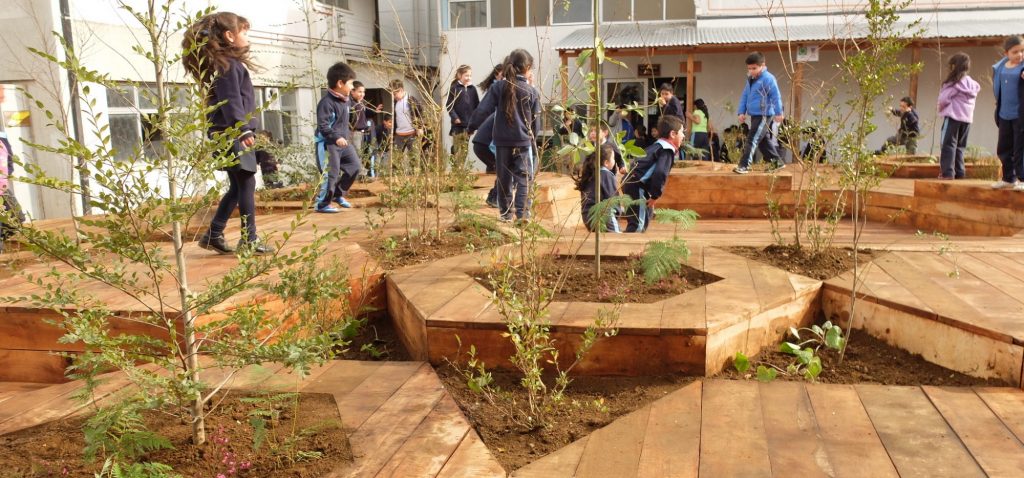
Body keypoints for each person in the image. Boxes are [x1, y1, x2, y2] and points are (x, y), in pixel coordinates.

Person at [184, 12, 271, 255]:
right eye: (244, 32)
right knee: (247, 183)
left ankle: (213, 234)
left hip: (225, 133)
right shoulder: (228, 66)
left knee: (237, 186)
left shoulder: (223, 64)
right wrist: (242, 129)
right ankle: (249, 239)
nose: (247, 37)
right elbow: (230, 100)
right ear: (230, 36)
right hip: (232, 133)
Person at [468, 49, 540, 223]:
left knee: (504, 179)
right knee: (524, 179)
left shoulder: (498, 87)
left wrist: (471, 126)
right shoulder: (531, 91)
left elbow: (483, 109)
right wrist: (532, 139)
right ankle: (522, 214)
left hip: (502, 143)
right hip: (522, 142)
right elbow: (535, 124)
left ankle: (506, 215)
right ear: (527, 67)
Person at [622, 115, 684, 233]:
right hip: (637, 185)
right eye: (682, 132)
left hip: (633, 183)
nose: (684, 135)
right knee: (637, 225)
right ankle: (627, 249)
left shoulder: (655, 146)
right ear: (673, 134)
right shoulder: (666, 150)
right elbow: (660, 173)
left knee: (645, 215)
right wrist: (655, 195)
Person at [313, 61, 360, 213]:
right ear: (340, 83)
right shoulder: (326, 103)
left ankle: (338, 194)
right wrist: (335, 137)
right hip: (329, 144)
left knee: (354, 167)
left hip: (343, 143)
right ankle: (322, 204)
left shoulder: (345, 101)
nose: (353, 88)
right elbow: (323, 126)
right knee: (330, 174)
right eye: (351, 84)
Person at [733, 52, 784, 174]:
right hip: (754, 114)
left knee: (752, 138)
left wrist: (779, 113)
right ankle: (776, 162)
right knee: (762, 140)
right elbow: (745, 95)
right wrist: (741, 112)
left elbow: (776, 96)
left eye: (754, 68)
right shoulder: (750, 79)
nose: (751, 71)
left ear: (763, 65)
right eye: (749, 68)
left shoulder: (768, 79)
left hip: (764, 113)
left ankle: (744, 165)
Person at [937, 53, 980, 180]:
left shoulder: (954, 82)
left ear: (954, 66)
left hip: (953, 117)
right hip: (967, 119)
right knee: (960, 146)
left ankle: (947, 173)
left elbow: (943, 99)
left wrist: (941, 108)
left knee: (948, 145)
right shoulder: (972, 84)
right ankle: (960, 173)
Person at [470, 63, 504, 208]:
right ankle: (494, 198)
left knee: (500, 168)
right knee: (504, 168)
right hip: (485, 143)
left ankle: (495, 197)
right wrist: (471, 126)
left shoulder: (501, 89)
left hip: (483, 141)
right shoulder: (499, 88)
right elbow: (482, 110)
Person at [992, 35, 1024, 190]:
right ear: (1006, 53)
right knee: (1004, 148)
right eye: (1015, 52)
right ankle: (1008, 178)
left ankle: (1022, 179)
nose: (1020, 55)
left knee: (1020, 149)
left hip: (1020, 116)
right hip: (1004, 114)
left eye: (1022, 51)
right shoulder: (1000, 68)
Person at [578, 143, 620, 233]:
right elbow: (613, 199)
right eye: (613, 158)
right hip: (603, 215)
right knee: (618, 240)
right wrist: (617, 213)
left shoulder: (590, 173)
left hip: (587, 216)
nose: (614, 161)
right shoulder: (606, 174)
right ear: (606, 162)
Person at [446, 65, 480, 164]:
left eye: (470, 75)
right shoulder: (454, 88)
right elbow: (449, 105)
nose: (468, 78)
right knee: (456, 146)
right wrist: (455, 117)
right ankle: (455, 166)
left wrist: (474, 122)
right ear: (459, 75)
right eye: (466, 75)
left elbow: (477, 106)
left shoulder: (472, 89)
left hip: (468, 124)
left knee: (464, 147)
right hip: (457, 124)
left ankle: (461, 167)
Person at [349, 80, 379, 174]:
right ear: (352, 91)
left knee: (362, 154)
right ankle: (361, 174)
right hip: (355, 133)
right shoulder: (351, 104)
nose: (362, 94)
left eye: (363, 92)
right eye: (359, 92)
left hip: (362, 133)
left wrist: (374, 111)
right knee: (357, 154)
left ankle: (361, 173)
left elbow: (365, 114)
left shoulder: (361, 103)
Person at [390, 79, 424, 157]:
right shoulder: (395, 102)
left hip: (411, 134)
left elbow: (420, 113)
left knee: (414, 159)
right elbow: (396, 118)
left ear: (401, 90)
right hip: (399, 135)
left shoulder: (411, 99)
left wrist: (419, 127)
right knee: (396, 160)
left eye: (395, 94)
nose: (394, 96)